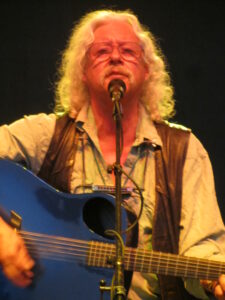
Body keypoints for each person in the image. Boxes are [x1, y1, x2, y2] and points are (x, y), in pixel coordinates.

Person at [0, 9, 225, 299]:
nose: (116, 58)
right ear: (82, 69)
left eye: (128, 51)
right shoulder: (45, 135)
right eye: (102, 51)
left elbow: (202, 247)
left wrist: (212, 280)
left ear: (147, 71)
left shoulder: (183, 150)